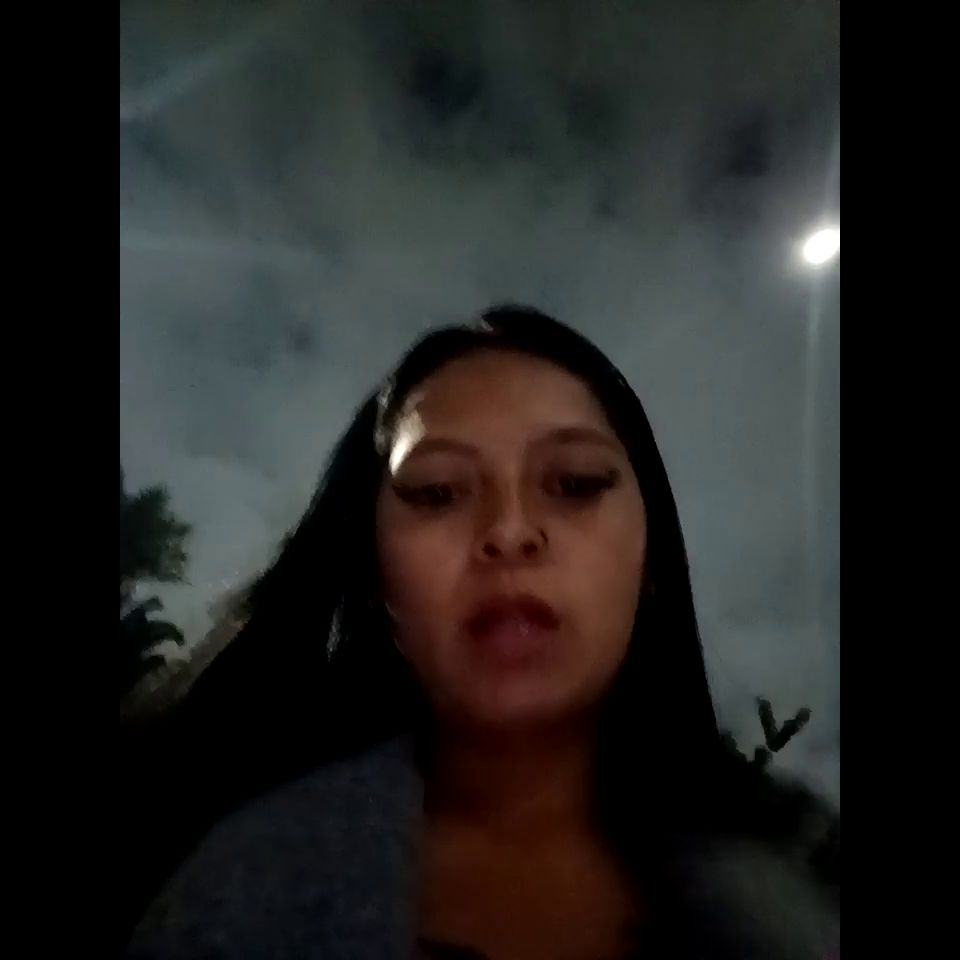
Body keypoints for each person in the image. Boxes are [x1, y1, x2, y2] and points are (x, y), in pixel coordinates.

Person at [123, 306, 839, 959]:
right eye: (438, 492)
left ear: (651, 558)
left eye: (575, 483)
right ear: (375, 576)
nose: (509, 531)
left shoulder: (809, 872)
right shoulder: (226, 893)